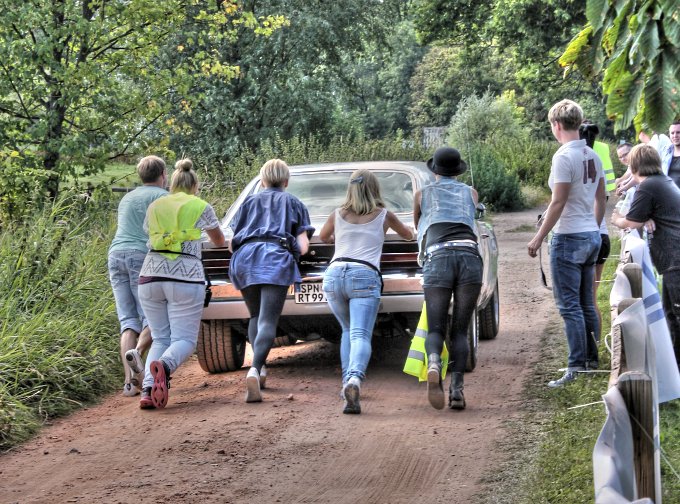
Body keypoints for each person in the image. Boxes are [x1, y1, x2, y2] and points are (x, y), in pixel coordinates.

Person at [319, 169, 415, 414]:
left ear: (350, 188)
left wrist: (340, 238)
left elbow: (323, 237)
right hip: (364, 274)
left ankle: (345, 385)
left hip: (333, 274)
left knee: (347, 330)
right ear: (375, 189)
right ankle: (354, 379)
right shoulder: (384, 215)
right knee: (360, 334)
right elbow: (408, 235)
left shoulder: (337, 214)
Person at [527, 99, 605, 388]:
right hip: (589, 234)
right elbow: (601, 197)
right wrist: (594, 227)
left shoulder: (563, 156)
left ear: (556, 125)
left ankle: (576, 366)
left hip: (568, 236)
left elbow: (558, 201)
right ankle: (591, 358)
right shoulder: (591, 154)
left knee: (569, 306)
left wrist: (539, 237)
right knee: (586, 302)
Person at [137, 159, 226, 409]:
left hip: (150, 276)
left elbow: (151, 234)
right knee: (185, 340)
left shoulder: (155, 205)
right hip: (185, 277)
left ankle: (147, 389)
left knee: (160, 337)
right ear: (195, 185)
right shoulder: (200, 206)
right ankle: (163, 368)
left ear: (172, 182)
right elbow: (219, 241)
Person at [228, 159, 314, 403]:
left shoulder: (249, 202)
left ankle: (261, 368)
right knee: (268, 319)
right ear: (286, 181)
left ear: (262, 180)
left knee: (255, 315)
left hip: (244, 260)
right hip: (274, 259)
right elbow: (303, 246)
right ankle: (255, 369)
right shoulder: (294, 203)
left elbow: (231, 242)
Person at [413, 146, 482, 410]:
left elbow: (419, 227)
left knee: (436, 327)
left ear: (435, 170)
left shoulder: (422, 194)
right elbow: (472, 217)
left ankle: (433, 362)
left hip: (438, 257)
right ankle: (457, 391)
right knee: (460, 330)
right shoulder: (471, 193)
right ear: (458, 170)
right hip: (469, 256)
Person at [611, 144, 680, 369]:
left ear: (635, 164)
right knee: (671, 314)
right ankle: (674, 370)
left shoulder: (648, 186)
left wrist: (617, 219)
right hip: (672, 260)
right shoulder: (661, 181)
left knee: (677, 315)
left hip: (675, 258)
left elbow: (632, 221)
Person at [108, 155, 167, 397]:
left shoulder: (127, 197)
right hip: (141, 257)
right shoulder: (162, 197)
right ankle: (138, 359)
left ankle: (129, 383)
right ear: (163, 175)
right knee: (153, 317)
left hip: (115, 255)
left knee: (127, 320)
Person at [578, 123, 614, 342]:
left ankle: (589, 346)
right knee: (590, 297)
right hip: (601, 235)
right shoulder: (599, 155)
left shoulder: (574, 162)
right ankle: (594, 342)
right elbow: (604, 198)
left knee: (582, 299)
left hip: (585, 236)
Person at [661, 121, 680, 187]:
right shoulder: (665, 151)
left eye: (678, 132)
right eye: (672, 133)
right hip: (667, 193)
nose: (675, 136)